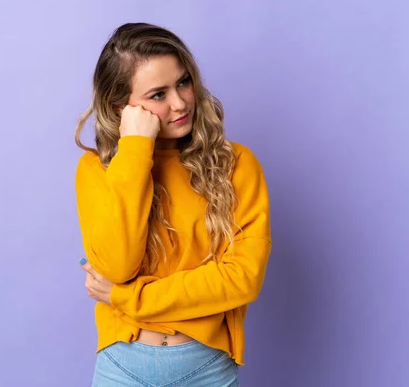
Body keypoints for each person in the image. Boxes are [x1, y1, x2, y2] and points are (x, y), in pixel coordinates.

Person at [74, 22, 271, 386]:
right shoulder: (98, 170)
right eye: (158, 95)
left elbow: (242, 279)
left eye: (183, 82)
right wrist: (135, 150)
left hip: (207, 369)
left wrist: (129, 297)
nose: (179, 103)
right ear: (122, 107)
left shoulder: (236, 164)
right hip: (122, 368)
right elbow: (118, 264)